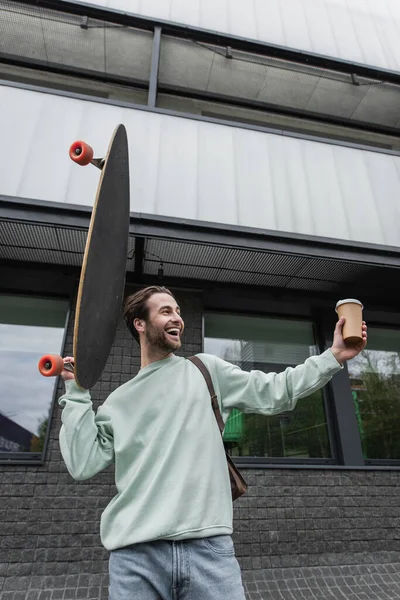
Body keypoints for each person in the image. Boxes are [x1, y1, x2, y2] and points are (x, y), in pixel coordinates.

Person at [58, 285, 367, 600]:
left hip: (209, 553)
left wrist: (333, 356)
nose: (177, 318)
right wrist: (77, 394)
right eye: (166, 311)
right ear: (140, 323)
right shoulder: (117, 402)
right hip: (136, 559)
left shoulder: (205, 371)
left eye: (178, 311)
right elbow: (83, 462)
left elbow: (276, 391)